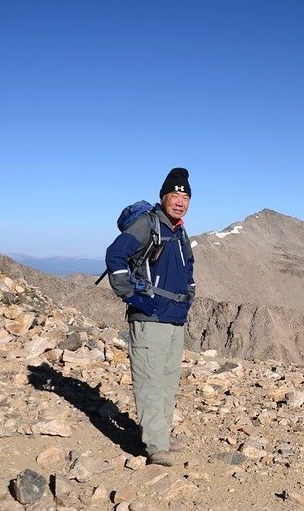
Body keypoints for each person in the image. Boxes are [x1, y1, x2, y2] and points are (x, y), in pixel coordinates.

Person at [105, 167, 196, 467]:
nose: (180, 201)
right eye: (175, 195)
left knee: (167, 382)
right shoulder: (148, 224)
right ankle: (156, 446)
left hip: (174, 319)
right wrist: (133, 297)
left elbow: (189, 269)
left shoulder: (179, 230)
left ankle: (161, 435)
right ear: (164, 197)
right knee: (150, 381)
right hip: (149, 318)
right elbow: (115, 256)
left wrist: (189, 295)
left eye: (185, 196)